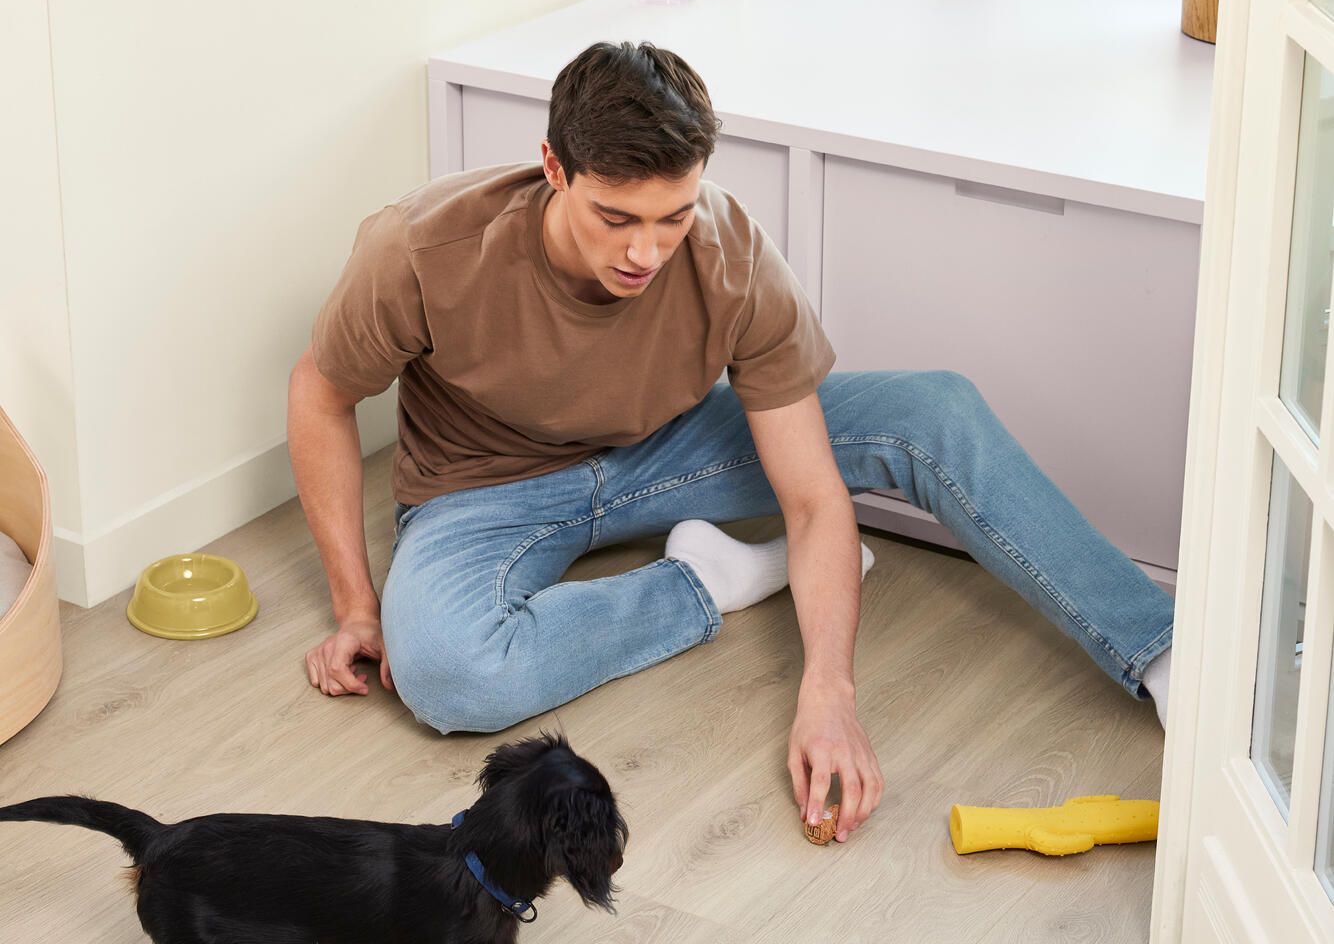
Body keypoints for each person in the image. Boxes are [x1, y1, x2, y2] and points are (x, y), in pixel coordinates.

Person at [288, 41, 1173, 844]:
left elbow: (815, 497)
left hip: (666, 450)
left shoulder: (729, 249)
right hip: (482, 489)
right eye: (615, 217)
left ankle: (1164, 656)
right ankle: (709, 577)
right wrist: (358, 609)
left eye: (672, 215)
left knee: (931, 410)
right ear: (554, 167)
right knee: (448, 677)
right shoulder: (422, 247)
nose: (647, 251)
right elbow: (319, 395)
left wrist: (828, 696)